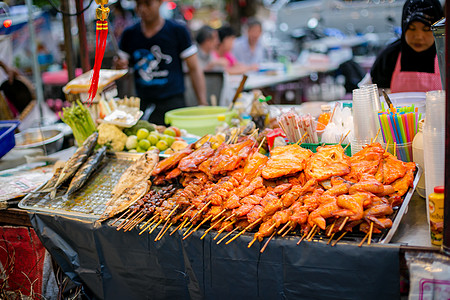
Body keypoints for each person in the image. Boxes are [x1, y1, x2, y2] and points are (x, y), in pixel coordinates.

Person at [115, 0, 207, 125]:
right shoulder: (129, 35)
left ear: (159, 2)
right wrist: (119, 68)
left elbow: (194, 68)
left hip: (173, 103)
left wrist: (202, 103)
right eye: (139, 4)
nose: (143, 9)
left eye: (147, 4)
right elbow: (121, 72)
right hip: (143, 105)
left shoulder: (178, 31)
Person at [370, 0, 444, 93]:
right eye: (412, 28)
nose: (418, 36)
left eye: (426, 29)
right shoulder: (389, 56)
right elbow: (376, 93)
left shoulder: (445, 57)